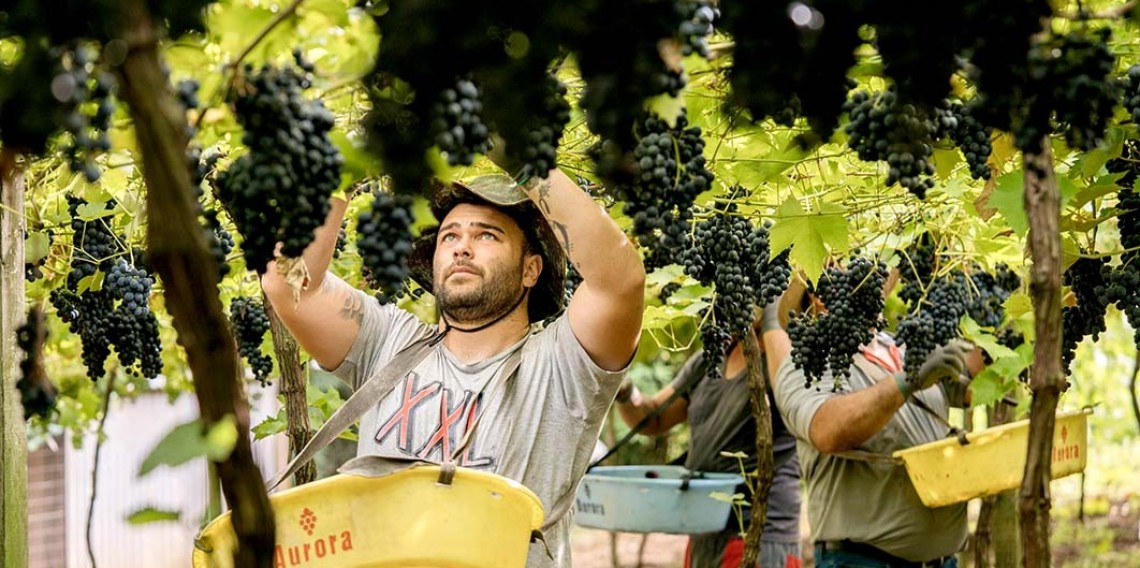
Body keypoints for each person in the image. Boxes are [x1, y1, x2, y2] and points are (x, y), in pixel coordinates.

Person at [261, 166, 645, 568]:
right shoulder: (386, 340)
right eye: (450, 236)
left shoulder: (562, 365)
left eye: (486, 235)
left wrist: (516, 144)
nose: (462, 247)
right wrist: (343, 170)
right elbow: (289, 284)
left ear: (531, 269)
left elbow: (619, 282)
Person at [769, 275, 984, 568]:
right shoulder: (808, 363)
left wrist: (995, 305)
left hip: (943, 561)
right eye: (862, 272)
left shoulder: (908, 347)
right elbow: (827, 429)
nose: (877, 277)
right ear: (820, 295)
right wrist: (906, 383)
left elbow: (979, 377)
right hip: (859, 561)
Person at [613, 307, 803, 568]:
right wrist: (623, 389)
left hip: (758, 536)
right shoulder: (710, 359)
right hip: (703, 531)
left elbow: (795, 398)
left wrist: (773, 321)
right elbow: (653, 417)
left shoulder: (783, 354)